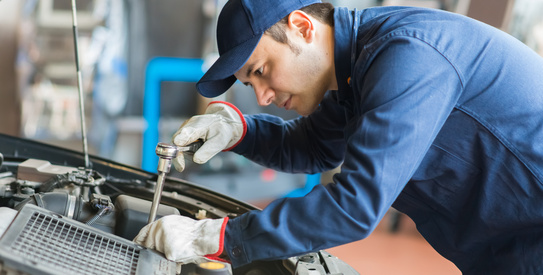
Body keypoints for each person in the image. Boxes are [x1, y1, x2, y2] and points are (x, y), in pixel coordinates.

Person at [134, 0, 543, 273]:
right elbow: (313, 147)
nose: (263, 96)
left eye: (261, 71)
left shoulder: (407, 55)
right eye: (249, 85)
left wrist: (219, 237)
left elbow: (356, 205)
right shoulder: (351, 74)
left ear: (300, 26)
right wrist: (239, 129)